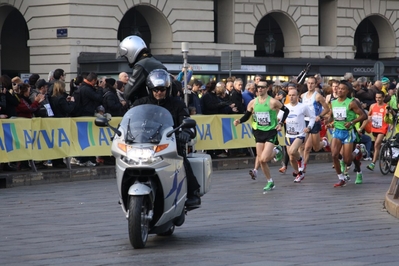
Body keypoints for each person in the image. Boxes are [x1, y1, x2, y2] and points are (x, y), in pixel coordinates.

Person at [132, 69, 201, 207]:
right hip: (145, 144)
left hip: (170, 143)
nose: (159, 92)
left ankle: (194, 192)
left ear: (167, 89)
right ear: (150, 89)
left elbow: (186, 121)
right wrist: (121, 134)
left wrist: (186, 132)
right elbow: (130, 120)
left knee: (182, 161)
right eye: (156, 89)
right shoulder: (141, 103)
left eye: (162, 89)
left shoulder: (177, 104)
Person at [233, 79, 290, 192]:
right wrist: (239, 121)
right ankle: (270, 182)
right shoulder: (253, 102)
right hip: (259, 132)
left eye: (262, 87)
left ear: (267, 88)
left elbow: (286, 110)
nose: (260, 89)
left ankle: (277, 150)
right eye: (258, 87)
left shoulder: (273, 102)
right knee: (261, 160)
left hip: (270, 132)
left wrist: (280, 123)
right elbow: (247, 116)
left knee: (264, 158)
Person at [329, 80, 367, 187]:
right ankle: (341, 178)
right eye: (339, 88)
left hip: (348, 132)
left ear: (347, 91)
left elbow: (364, 116)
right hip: (337, 131)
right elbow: (332, 116)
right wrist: (328, 122)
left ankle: (358, 149)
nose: (339, 90)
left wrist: (352, 122)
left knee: (347, 161)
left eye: (342, 89)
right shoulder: (333, 102)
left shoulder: (351, 102)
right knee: (334, 155)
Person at [117, 35, 166, 104]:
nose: (127, 60)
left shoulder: (142, 65)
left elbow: (127, 93)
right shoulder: (157, 62)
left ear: (131, 52)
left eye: (126, 57)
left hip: (146, 108)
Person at [299, 76, 331, 173]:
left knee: (316, 148)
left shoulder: (318, 96)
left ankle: (324, 142)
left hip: (315, 122)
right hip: (304, 122)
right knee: (304, 147)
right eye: (309, 83)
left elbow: (327, 109)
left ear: (315, 84)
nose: (310, 85)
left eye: (312, 83)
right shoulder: (302, 96)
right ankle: (302, 167)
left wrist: (320, 116)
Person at [284, 86, 315, 182]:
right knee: (291, 158)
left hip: (300, 134)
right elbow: (279, 119)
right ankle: (299, 173)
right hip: (289, 134)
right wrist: (278, 124)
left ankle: (301, 160)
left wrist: (309, 127)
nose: (291, 97)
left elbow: (312, 117)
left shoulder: (303, 107)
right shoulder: (285, 107)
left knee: (292, 151)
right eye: (290, 95)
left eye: (293, 95)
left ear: (298, 96)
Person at [366, 91, 390, 171]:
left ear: (383, 98)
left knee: (376, 145)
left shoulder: (386, 106)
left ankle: (373, 163)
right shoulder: (372, 106)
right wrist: (369, 117)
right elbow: (369, 115)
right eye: (376, 97)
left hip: (383, 128)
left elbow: (392, 115)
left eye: (380, 97)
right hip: (374, 128)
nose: (378, 99)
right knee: (377, 147)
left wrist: (389, 113)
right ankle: (385, 160)